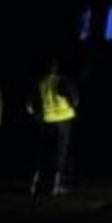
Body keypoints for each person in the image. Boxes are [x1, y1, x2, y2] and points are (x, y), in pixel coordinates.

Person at [26, 58, 77, 196]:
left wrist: (38, 117)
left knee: (43, 153)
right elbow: (74, 99)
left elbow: (29, 106)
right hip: (63, 121)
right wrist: (72, 105)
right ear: (56, 69)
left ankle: (34, 185)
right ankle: (55, 186)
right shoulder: (62, 81)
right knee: (60, 153)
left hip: (46, 121)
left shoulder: (41, 82)